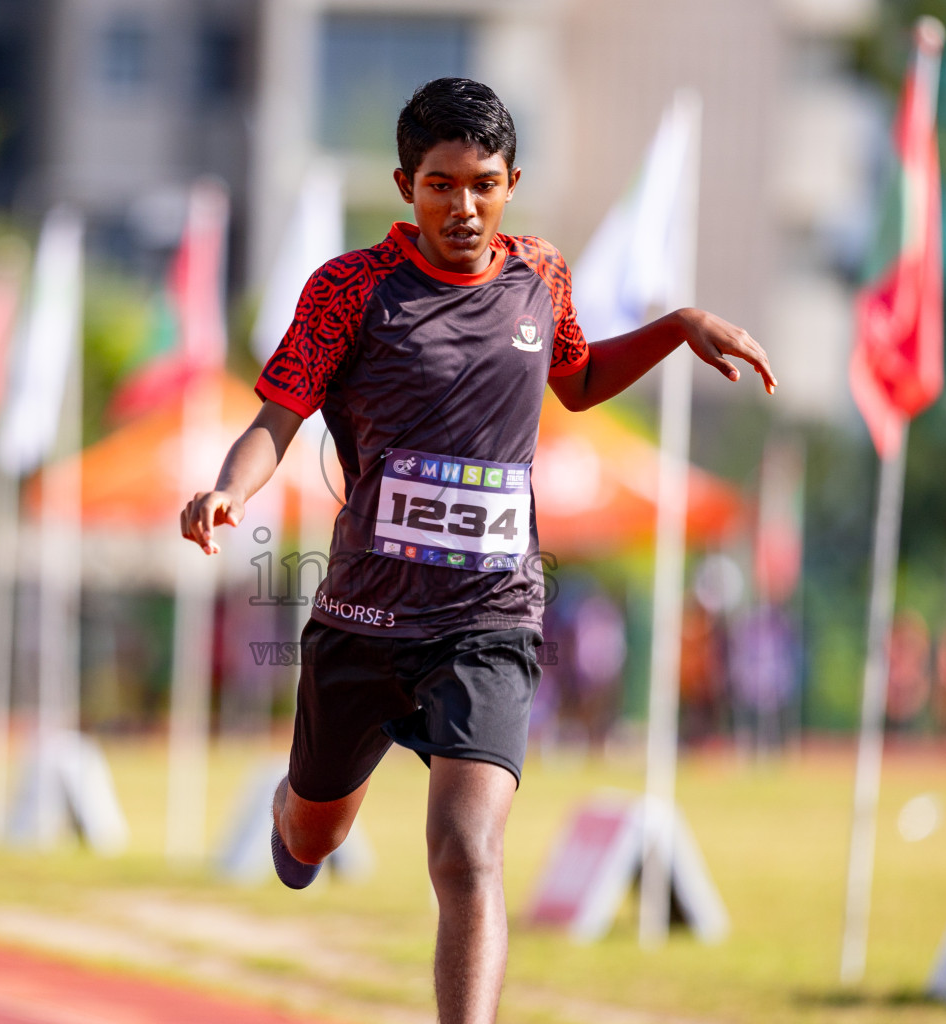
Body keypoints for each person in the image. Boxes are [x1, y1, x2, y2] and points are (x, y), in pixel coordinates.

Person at [180, 78, 774, 1024]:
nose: (463, 206)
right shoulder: (349, 290)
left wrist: (673, 327)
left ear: (513, 182)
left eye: (483, 184)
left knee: (467, 853)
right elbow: (277, 417)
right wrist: (227, 490)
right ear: (405, 186)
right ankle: (301, 811)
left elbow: (574, 382)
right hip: (363, 621)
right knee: (312, 838)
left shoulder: (541, 273)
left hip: (490, 619)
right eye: (440, 185)